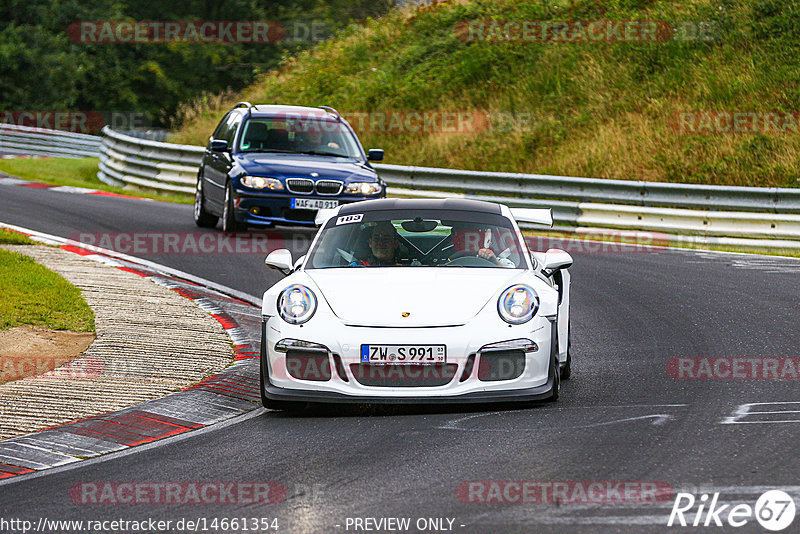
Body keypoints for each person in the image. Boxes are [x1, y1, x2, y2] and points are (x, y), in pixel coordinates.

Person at [449, 223, 515, 267]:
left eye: (472, 237)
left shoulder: (500, 261)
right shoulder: (445, 258)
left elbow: (511, 274)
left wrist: (494, 261)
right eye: (463, 238)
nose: (468, 241)